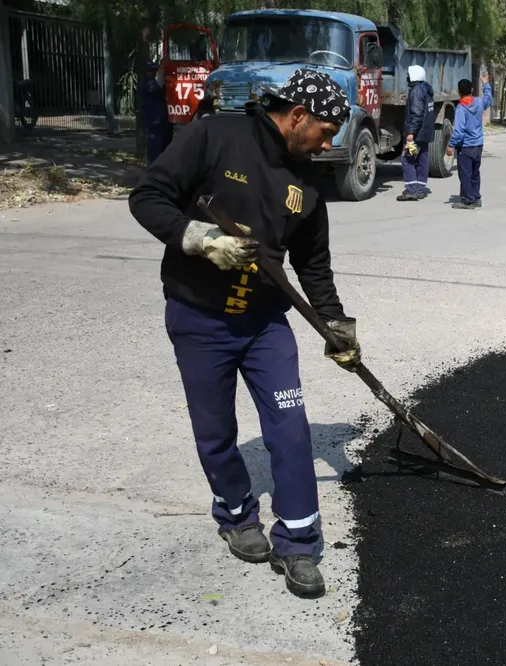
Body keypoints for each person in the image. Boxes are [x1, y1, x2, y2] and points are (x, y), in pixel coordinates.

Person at [128, 68, 360, 599]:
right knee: (215, 431)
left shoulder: (307, 183)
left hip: (265, 327)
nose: (329, 143)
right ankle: (235, 513)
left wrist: (336, 325)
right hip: (199, 318)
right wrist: (199, 238)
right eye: (325, 131)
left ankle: (299, 542)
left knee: (290, 424)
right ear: (297, 116)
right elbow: (148, 197)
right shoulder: (215, 135)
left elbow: (314, 268)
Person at [446, 72, 492, 210]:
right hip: (478, 145)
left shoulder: (461, 109)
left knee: (465, 174)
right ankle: (476, 197)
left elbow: (459, 131)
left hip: (466, 146)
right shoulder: (478, 102)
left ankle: (468, 200)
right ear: (472, 90)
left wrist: (451, 145)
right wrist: (485, 84)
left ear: (458, 92)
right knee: (474, 172)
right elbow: (488, 99)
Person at [398, 64, 436, 202]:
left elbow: (416, 114)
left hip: (417, 134)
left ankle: (411, 190)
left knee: (407, 159)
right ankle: (420, 189)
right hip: (425, 134)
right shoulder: (426, 90)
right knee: (422, 159)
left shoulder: (416, 91)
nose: (407, 77)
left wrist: (410, 133)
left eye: (408, 75)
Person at [139, 60, 173, 165]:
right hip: (153, 122)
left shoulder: (160, 85)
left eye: (155, 70)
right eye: (151, 71)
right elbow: (158, 84)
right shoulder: (146, 84)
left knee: (166, 149)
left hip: (165, 121)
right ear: (146, 72)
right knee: (154, 149)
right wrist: (162, 70)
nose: (153, 73)